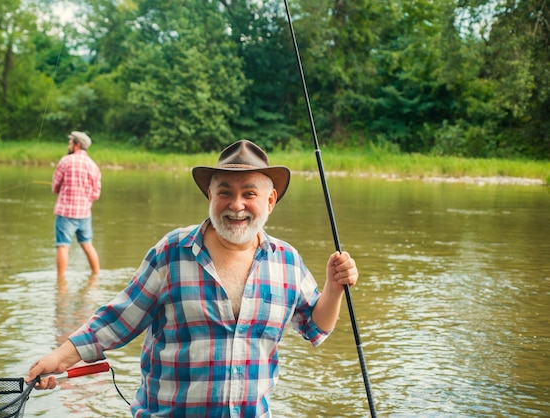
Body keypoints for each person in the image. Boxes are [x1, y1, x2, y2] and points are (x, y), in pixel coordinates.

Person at [27, 140, 359, 417]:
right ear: (210, 197)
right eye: (225, 192)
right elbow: (117, 320)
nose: (236, 205)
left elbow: (316, 327)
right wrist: (57, 358)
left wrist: (334, 288)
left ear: (270, 201)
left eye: (250, 194)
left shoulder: (287, 261)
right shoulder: (173, 251)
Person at [52, 131, 102, 278]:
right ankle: (96, 276)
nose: (69, 145)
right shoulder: (93, 166)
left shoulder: (65, 161)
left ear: (77, 145)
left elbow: (55, 187)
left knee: (63, 247)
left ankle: (60, 283)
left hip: (66, 213)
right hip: (85, 214)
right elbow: (96, 194)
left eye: (70, 143)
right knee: (87, 245)